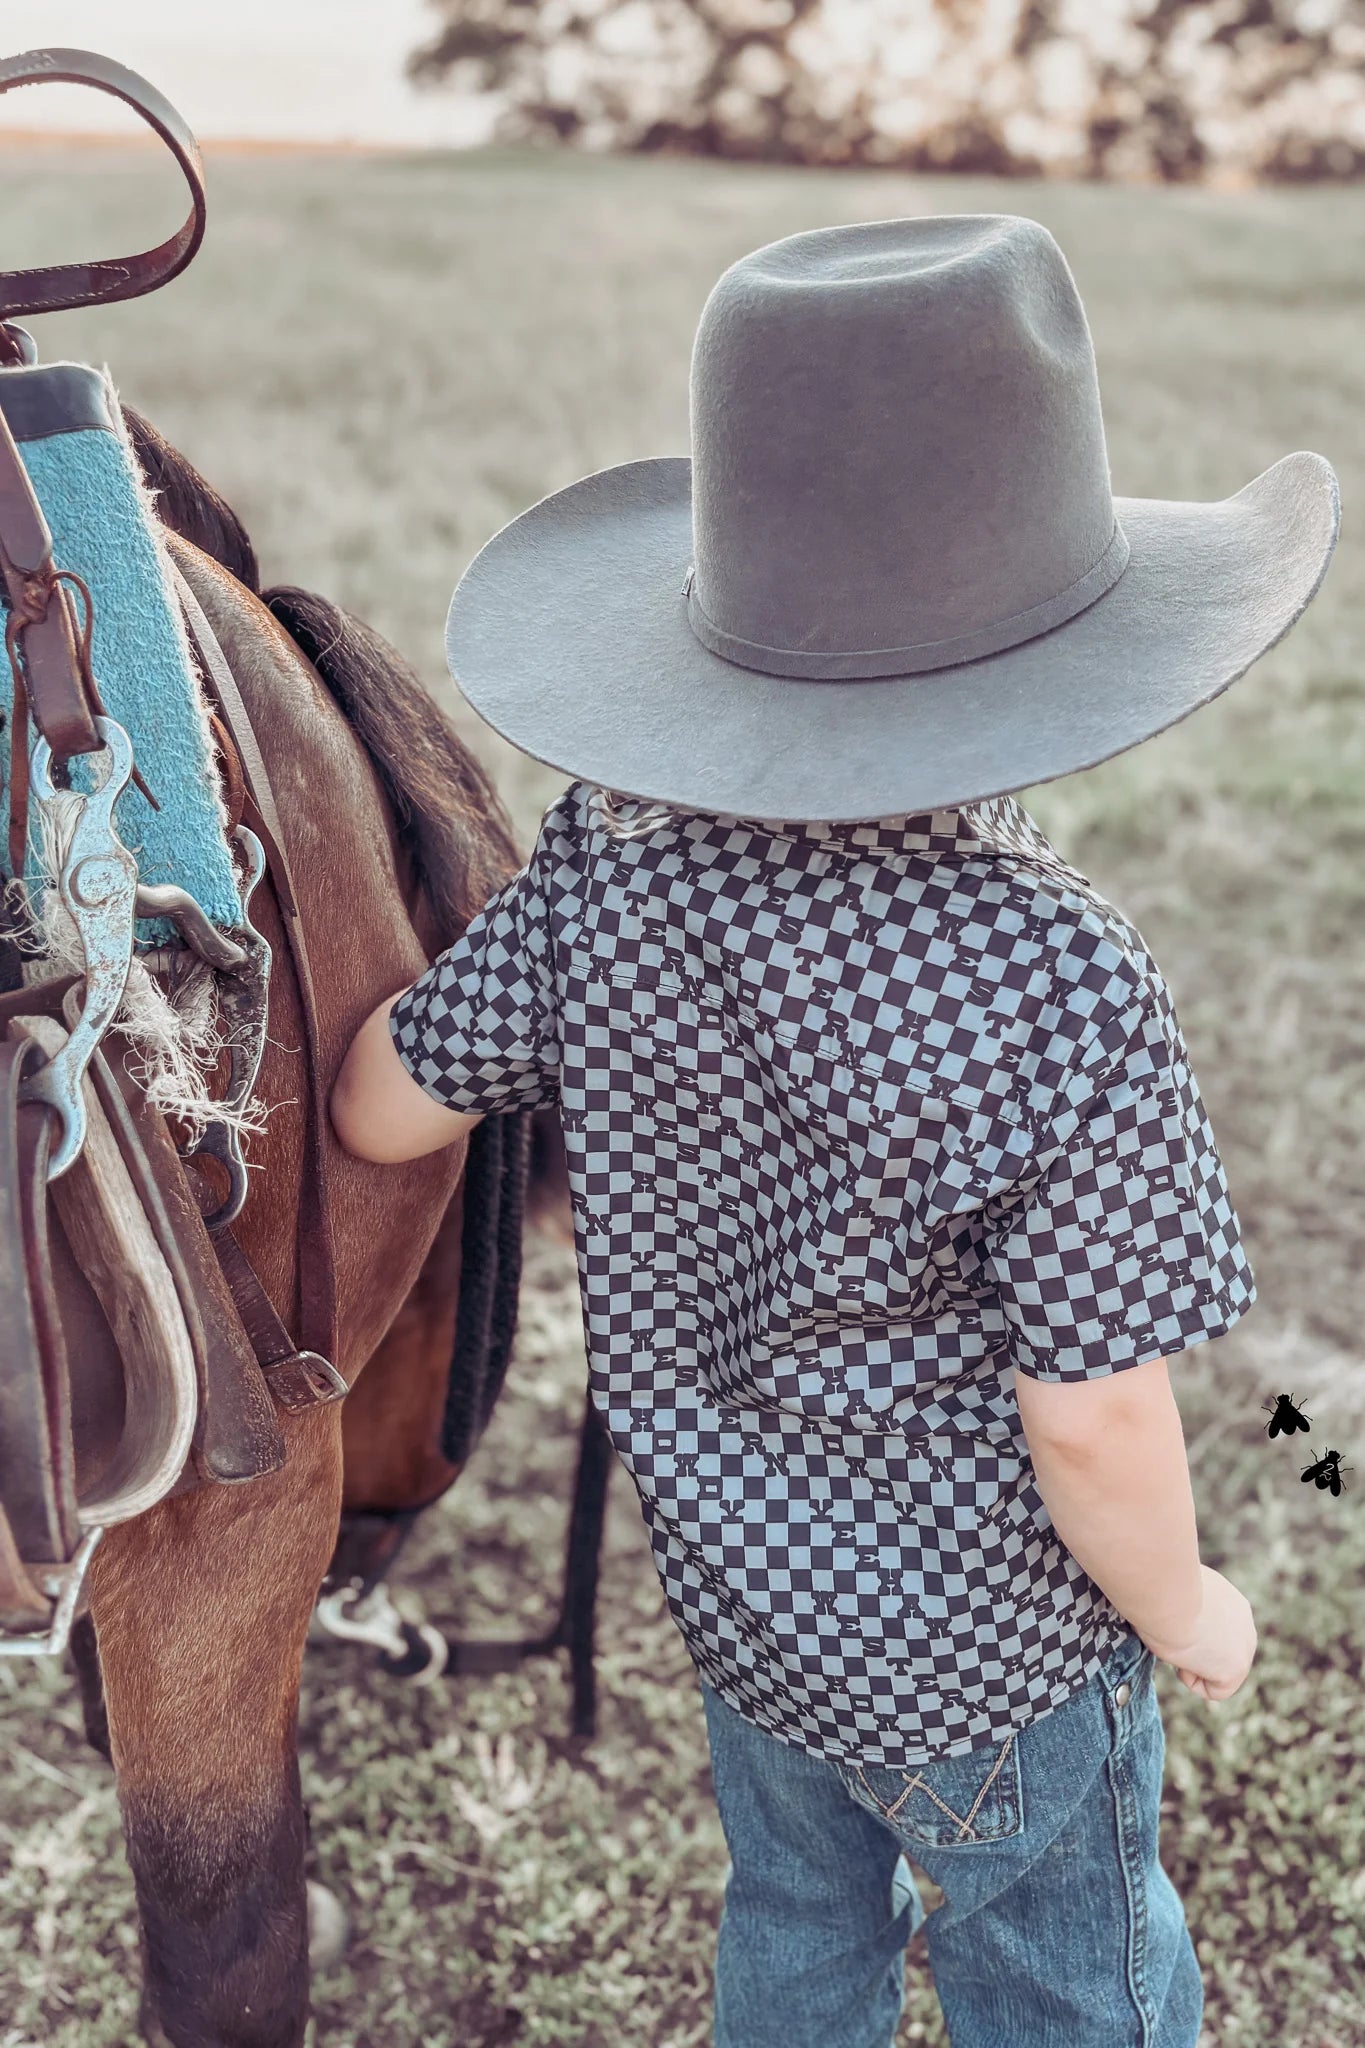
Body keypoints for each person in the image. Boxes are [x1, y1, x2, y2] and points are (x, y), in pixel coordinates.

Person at [329, 215, 1340, 2048]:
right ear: (1059, 658)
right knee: (1063, 1969)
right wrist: (1186, 1603)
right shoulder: (1060, 981)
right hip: (1003, 1662)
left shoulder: (605, 875)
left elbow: (385, 1104)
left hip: (753, 1620)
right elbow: (1098, 1418)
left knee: (796, 1925)